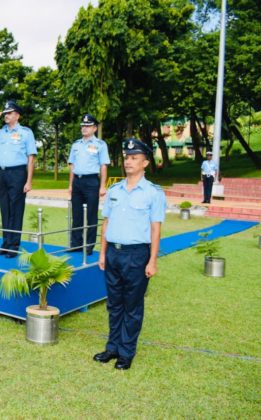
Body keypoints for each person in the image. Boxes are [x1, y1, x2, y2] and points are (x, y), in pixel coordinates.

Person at [94, 138, 166, 370]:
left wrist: (152, 260)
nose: (128, 162)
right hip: (113, 253)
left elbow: (156, 228)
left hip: (137, 255)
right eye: (126, 157)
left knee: (132, 306)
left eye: (134, 158)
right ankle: (112, 348)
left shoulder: (153, 193)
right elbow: (106, 224)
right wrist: (103, 254)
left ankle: (126, 352)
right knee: (114, 304)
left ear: (145, 163)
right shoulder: (115, 190)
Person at [0, 100, 37, 258]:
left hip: (18, 174)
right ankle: (5, 244)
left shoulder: (26, 133)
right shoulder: (2, 132)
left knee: (16, 209)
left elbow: (31, 158)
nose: (6, 115)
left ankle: (14, 245)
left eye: (10, 113)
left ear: (17, 115)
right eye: (5, 113)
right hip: (3, 174)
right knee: (5, 209)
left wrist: (29, 181)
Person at [68, 113, 110, 255]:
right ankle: (76, 244)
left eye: (88, 126)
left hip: (92, 181)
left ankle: (89, 246)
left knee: (91, 215)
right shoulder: (76, 145)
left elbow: (103, 166)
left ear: (94, 128)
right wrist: (70, 185)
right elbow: (72, 166)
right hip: (77, 182)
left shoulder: (100, 145)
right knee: (77, 214)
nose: (84, 128)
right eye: (83, 126)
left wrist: (103, 186)